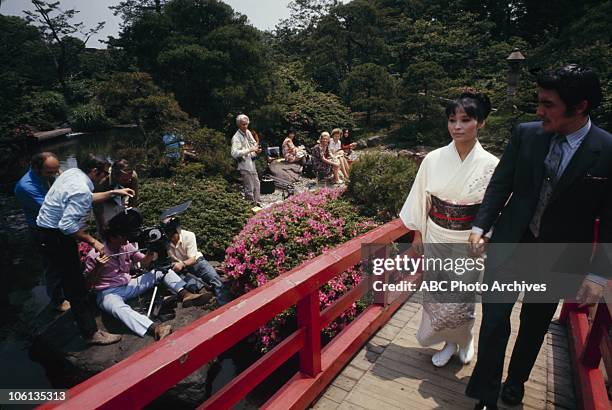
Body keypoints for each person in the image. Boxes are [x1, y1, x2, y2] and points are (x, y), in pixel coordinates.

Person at [466, 65, 612, 410]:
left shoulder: (607, 149)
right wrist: (480, 226)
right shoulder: (526, 134)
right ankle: (486, 393)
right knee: (495, 320)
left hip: (562, 254)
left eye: (548, 104)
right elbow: (501, 183)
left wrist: (597, 273)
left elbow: (610, 218)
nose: (539, 111)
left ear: (580, 107)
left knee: (534, 323)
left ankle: (516, 382)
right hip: (511, 241)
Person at [399, 92, 499, 368]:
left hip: (469, 240)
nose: (457, 126)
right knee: (439, 295)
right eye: (452, 120)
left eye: (465, 120)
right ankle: (448, 342)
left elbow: (496, 208)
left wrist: (486, 236)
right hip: (437, 235)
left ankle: (466, 339)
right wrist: (418, 234)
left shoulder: (492, 165)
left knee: (462, 296)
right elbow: (421, 198)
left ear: (481, 123)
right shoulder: (433, 159)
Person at [36, 154, 135, 345]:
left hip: (44, 232)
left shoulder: (73, 173)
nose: (106, 176)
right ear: (93, 171)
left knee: (61, 276)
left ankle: (67, 306)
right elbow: (67, 226)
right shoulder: (81, 188)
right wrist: (93, 241)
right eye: (104, 173)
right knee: (75, 285)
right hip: (57, 237)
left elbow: (87, 197)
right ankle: (90, 333)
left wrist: (114, 193)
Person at [84, 216, 211, 341]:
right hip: (108, 293)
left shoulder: (126, 246)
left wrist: (151, 251)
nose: (127, 238)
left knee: (161, 271)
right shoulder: (95, 254)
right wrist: (98, 267)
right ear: (113, 237)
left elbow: (145, 263)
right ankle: (155, 329)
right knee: (118, 308)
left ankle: (186, 295)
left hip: (129, 284)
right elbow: (87, 285)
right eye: (124, 235)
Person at [14, 152, 68, 311]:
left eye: (56, 171)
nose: (54, 175)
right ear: (36, 168)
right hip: (42, 230)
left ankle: (68, 290)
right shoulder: (26, 187)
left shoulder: (46, 176)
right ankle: (57, 300)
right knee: (51, 264)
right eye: (50, 172)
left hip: (57, 226)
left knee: (64, 260)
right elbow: (53, 208)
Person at [164, 218, 228, 305]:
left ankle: (224, 304)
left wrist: (182, 264)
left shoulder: (189, 235)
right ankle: (204, 293)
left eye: (173, 235)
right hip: (183, 269)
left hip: (197, 262)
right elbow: (169, 260)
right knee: (189, 286)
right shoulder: (166, 243)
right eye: (168, 235)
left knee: (216, 280)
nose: (171, 238)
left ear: (178, 231)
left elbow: (192, 259)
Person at [93, 159, 139, 234]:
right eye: (124, 179)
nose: (128, 181)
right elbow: (97, 206)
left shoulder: (132, 176)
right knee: (107, 230)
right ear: (114, 175)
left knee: (125, 226)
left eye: (129, 179)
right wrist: (102, 223)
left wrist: (130, 214)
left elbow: (134, 197)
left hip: (122, 198)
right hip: (104, 201)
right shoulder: (102, 182)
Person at [231, 114, 261, 204]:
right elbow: (234, 153)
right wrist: (249, 150)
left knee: (257, 184)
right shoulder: (236, 137)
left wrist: (257, 149)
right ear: (239, 125)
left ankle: (257, 203)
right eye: (243, 124)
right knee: (249, 187)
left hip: (252, 163)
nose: (245, 126)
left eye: (246, 124)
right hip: (244, 165)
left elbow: (254, 143)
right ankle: (250, 207)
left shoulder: (247, 132)